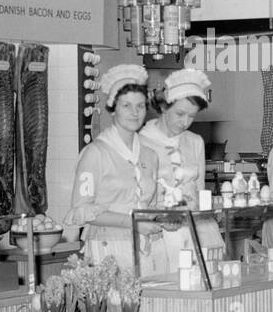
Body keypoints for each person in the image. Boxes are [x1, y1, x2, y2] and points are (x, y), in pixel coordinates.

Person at [65, 64, 166, 273]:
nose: (134, 112)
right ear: (112, 108)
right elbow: (83, 210)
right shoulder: (96, 153)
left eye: (140, 106)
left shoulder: (150, 155)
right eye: (126, 105)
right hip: (107, 247)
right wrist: (133, 223)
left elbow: (153, 205)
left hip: (148, 247)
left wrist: (165, 218)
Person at [139, 68, 223, 273]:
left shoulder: (195, 142)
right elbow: (137, 199)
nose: (185, 122)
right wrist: (160, 217)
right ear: (164, 107)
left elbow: (200, 190)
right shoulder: (141, 142)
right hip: (160, 236)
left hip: (198, 231)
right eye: (180, 114)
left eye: (191, 116)